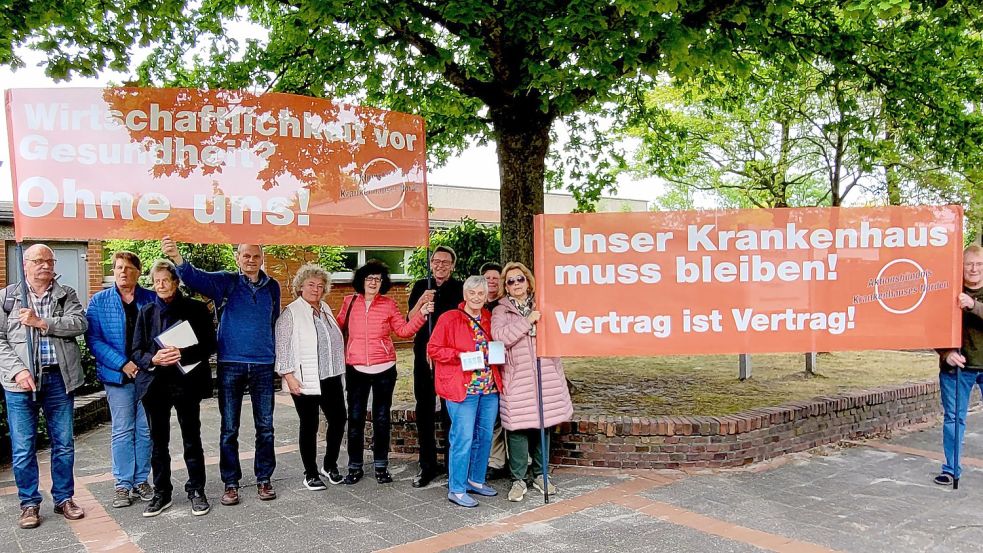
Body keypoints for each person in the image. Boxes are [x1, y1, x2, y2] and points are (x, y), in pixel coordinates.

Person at [161, 236, 281, 505]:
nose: (251, 260)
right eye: (246, 256)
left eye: (256, 256)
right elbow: (196, 278)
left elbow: (273, 320)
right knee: (229, 428)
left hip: (263, 363)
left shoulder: (272, 286)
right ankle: (231, 482)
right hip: (231, 364)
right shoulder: (226, 281)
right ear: (237, 258)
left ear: (262, 259)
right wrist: (177, 258)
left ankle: (264, 479)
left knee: (266, 427)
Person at [0, 244, 87, 529]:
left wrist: (41, 322)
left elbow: (79, 323)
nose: (46, 266)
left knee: (64, 444)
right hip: (21, 383)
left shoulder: (66, 294)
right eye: (39, 260)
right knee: (24, 446)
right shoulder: (7, 298)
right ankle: (29, 504)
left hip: (59, 378)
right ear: (25, 264)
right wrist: (18, 370)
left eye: (50, 261)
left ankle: (64, 498)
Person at [131, 260, 217, 517]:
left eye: (165, 280)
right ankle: (162, 492)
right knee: (158, 442)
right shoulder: (146, 312)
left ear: (176, 282)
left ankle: (196, 490)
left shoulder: (196, 309)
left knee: (192, 439)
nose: (160, 285)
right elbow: (136, 351)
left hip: (186, 383)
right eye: (156, 281)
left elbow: (210, 345)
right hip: (155, 385)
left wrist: (183, 353)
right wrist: (152, 360)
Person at [338, 260, 433, 485]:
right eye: (369, 278)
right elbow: (338, 328)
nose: (373, 282)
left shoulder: (389, 304)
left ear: (383, 283)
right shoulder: (349, 302)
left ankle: (381, 465)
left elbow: (403, 331)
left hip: (384, 370)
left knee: (382, 418)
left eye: (378, 279)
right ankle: (354, 466)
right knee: (355, 418)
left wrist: (422, 314)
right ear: (362, 280)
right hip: (356, 369)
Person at [491, 262, 573, 502]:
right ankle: (518, 479)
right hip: (518, 378)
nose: (516, 284)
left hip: (545, 374)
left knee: (543, 426)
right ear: (505, 286)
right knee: (517, 429)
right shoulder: (501, 311)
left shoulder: (543, 305)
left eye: (520, 279)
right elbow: (500, 337)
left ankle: (541, 474)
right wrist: (527, 321)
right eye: (510, 281)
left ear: (528, 281)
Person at [85, 250, 157, 508]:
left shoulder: (151, 298)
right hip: (117, 376)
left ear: (138, 272)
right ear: (112, 271)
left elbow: (160, 334)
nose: (123, 272)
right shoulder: (99, 301)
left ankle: (141, 480)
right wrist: (122, 363)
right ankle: (122, 484)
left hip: (147, 374)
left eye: (128, 267)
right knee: (123, 429)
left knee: (145, 429)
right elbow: (93, 339)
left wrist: (144, 363)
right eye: (118, 268)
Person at [428, 276, 502, 507]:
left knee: (485, 437)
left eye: (481, 293)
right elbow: (433, 349)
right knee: (463, 438)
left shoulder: (490, 318)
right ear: (465, 294)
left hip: (489, 388)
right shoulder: (450, 318)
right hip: (463, 389)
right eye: (472, 293)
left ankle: (476, 479)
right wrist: (458, 355)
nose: (477, 297)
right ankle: (457, 488)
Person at [275, 264, 347, 491]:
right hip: (304, 378)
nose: (316, 289)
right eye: (311, 285)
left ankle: (329, 465)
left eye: (320, 285)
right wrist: (288, 376)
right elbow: (283, 347)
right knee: (310, 425)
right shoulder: (291, 313)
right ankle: (311, 473)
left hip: (331, 375)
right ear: (300, 286)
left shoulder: (325, 308)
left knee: (338, 420)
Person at [407, 245, 463, 488]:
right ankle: (426, 464)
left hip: (449, 356)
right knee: (425, 408)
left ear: (452, 265)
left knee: (451, 409)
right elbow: (410, 318)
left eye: (445, 262)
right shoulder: (422, 286)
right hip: (424, 354)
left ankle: (453, 464)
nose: (440, 265)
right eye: (436, 261)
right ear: (431, 264)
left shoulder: (460, 288)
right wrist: (422, 300)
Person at [935, 244, 983, 486]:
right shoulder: (949, 291)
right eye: (969, 264)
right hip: (957, 369)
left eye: (979, 264)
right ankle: (951, 469)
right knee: (954, 419)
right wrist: (946, 352)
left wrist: (973, 305)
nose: (974, 269)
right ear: (961, 266)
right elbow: (932, 326)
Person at [480, 261, 508, 480]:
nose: (491, 281)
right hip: (485, 369)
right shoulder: (476, 307)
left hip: (507, 365)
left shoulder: (506, 306)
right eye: (487, 277)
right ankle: (496, 461)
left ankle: (517, 459)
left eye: (495, 278)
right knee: (493, 419)